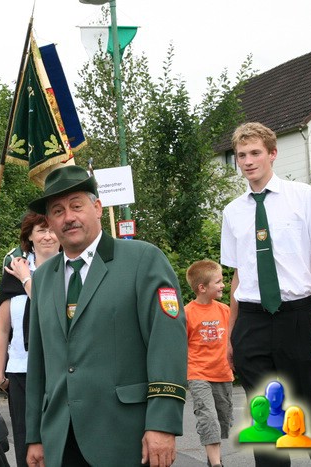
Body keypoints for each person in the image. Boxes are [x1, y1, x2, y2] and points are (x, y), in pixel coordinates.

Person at [24, 165, 188, 467]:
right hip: (61, 440)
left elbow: (167, 345)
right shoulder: (44, 277)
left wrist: (162, 422)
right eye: (58, 211)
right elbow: (38, 362)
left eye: (76, 206)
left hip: (126, 437)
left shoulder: (142, 260)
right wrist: (34, 435)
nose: (68, 217)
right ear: (50, 222)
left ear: (98, 208)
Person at [221, 122, 311, 466]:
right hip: (251, 322)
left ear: (272, 154)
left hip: (297, 317)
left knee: (307, 411)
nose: (247, 161)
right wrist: (230, 335)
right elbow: (238, 277)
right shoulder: (232, 212)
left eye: (255, 153)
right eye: (241, 155)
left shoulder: (303, 197)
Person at [0, 211, 60, 467]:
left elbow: (49, 306)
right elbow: (2, 328)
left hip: (59, 369)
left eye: (52, 230)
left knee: (59, 440)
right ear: (29, 236)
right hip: (21, 370)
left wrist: (26, 278)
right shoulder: (14, 270)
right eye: (41, 230)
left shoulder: (69, 268)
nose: (48, 236)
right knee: (26, 441)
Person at [184, 260, 234, 467]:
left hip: (223, 373)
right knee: (208, 418)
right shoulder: (187, 313)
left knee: (222, 420)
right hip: (198, 374)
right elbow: (181, 345)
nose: (223, 285)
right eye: (218, 282)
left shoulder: (225, 310)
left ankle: (213, 459)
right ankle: (216, 464)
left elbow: (232, 341)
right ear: (202, 288)